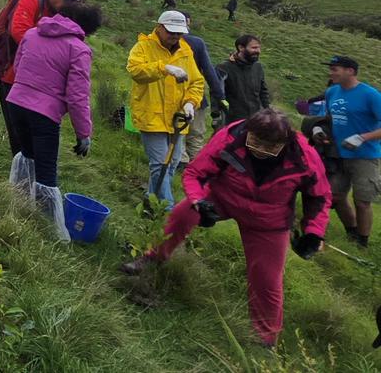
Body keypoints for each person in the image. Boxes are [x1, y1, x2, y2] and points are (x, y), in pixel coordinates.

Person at [121, 110, 331, 348]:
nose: (260, 148)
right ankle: (151, 259)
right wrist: (199, 201)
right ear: (249, 132)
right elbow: (195, 172)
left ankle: (265, 339)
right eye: (256, 141)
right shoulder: (232, 136)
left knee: (267, 278)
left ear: (284, 143)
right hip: (222, 198)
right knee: (181, 215)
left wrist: (313, 233)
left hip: (268, 221)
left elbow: (320, 197)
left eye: (268, 145)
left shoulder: (304, 156)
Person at [6, 3, 102, 239]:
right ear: (87, 29)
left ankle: (18, 203)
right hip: (44, 114)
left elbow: (18, 66)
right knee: (47, 172)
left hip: (16, 102)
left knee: (27, 155)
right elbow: (78, 96)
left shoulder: (31, 34)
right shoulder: (79, 49)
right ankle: (49, 231)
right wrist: (83, 134)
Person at [0, 0, 88, 159]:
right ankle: (20, 179)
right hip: (11, 74)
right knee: (18, 133)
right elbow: (19, 32)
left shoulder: (57, 10)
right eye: (68, 3)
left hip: (40, 81)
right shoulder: (31, 1)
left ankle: (32, 174)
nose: (69, 9)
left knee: (37, 134)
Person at [126, 10, 204, 206]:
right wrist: (164, 68)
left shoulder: (185, 51)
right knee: (160, 165)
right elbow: (136, 71)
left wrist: (190, 103)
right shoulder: (143, 47)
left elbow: (196, 82)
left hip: (177, 118)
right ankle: (168, 210)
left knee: (170, 166)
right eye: (171, 32)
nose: (175, 36)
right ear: (159, 27)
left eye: (179, 33)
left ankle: (150, 203)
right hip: (151, 116)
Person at [322, 55, 381, 247]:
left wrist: (362, 137)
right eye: (331, 69)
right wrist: (318, 129)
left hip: (365, 156)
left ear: (350, 71)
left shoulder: (370, 95)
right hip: (338, 154)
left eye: (335, 69)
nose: (331, 73)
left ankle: (362, 242)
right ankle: (352, 231)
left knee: (362, 201)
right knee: (336, 197)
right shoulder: (331, 92)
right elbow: (328, 118)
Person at [181, 12, 227, 165]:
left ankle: (181, 162)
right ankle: (196, 165)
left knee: (177, 132)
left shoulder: (160, 42)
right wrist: (219, 96)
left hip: (172, 96)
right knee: (196, 133)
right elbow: (209, 72)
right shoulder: (197, 42)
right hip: (196, 96)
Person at [215, 35, 271, 126]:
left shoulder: (258, 67)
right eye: (254, 48)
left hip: (255, 120)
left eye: (259, 48)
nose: (258, 51)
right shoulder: (224, 68)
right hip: (232, 122)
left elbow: (263, 92)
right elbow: (216, 93)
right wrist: (216, 115)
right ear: (241, 47)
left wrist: (268, 112)